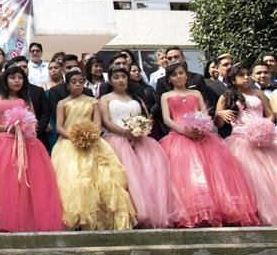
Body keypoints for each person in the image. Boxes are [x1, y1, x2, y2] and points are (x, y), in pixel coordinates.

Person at [158, 63, 258, 227]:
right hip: (178, 137)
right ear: (169, 78)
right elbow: (167, 119)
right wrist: (185, 131)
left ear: (186, 75)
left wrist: (203, 127)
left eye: (181, 73)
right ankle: (192, 212)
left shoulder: (196, 92)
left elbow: (204, 113)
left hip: (202, 137)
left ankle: (214, 211)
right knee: (185, 176)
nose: (179, 77)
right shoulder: (166, 96)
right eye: (174, 75)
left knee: (210, 174)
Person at [0, 64, 63, 232]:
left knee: (26, 182)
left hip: (26, 143)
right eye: (12, 78)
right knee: (1, 183)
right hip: (1, 144)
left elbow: (34, 121)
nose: (16, 81)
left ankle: (27, 219)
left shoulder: (27, 99)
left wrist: (25, 126)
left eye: (20, 78)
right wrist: (8, 127)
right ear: (5, 80)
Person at [51, 69, 136, 230]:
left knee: (101, 178)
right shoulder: (63, 103)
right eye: (73, 82)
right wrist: (74, 137)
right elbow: (60, 127)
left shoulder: (92, 101)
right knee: (73, 178)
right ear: (67, 85)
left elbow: (97, 124)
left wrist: (90, 136)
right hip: (69, 144)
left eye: (80, 81)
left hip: (93, 142)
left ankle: (100, 218)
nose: (77, 85)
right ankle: (75, 219)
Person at [99, 66, 180, 228]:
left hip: (141, 141)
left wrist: (142, 128)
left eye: (123, 76)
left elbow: (145, 117)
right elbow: (106, 121)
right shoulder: (105, 99)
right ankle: (126, 215)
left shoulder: (136, 98)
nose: (121, 80)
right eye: (116, 77)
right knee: (125, 177)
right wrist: (125, 133)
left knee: (148, 176)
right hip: (116, 140)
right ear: (110, 80)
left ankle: (148, 212)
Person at [218, 65, 277, 225]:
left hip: (262, 140)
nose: (246, 78)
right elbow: (218, 123)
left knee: (269, 177)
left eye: (247, 75)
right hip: (240, 141)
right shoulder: (225, 97)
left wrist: (264, 126)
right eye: (241, 75)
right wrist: (219, 114)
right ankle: (252, 213)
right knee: (247, 178)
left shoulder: (258, 93)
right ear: (232, 79)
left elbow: (271, 114)